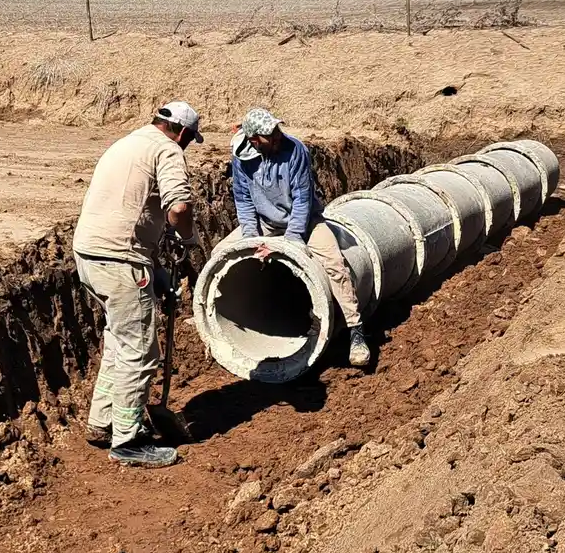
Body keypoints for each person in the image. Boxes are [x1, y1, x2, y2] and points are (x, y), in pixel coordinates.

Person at [73, 101, 202, 468]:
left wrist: (156, 270)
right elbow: (178, 209)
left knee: (119, 338)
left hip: (91, 255)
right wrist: (188, 238)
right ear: (182, 133)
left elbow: (131, 214)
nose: (187, 145)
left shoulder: (126, 144)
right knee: (141, 351)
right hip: (121, 260)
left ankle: (103, 421)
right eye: (189, 139)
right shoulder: (168, 150)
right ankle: (128, 440)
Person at [227, 108, 372, 368]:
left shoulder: (296, 151)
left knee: (335, 265)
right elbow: (244, 201)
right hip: (266, 223)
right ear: (254, 140)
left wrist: (293, 239)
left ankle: (356, 331)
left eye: (276, 132)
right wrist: (252, 240)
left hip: (306, 221)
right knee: (225, 253)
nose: (277, 137)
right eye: (270, 135)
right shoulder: (241, 160)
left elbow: (303, 199)